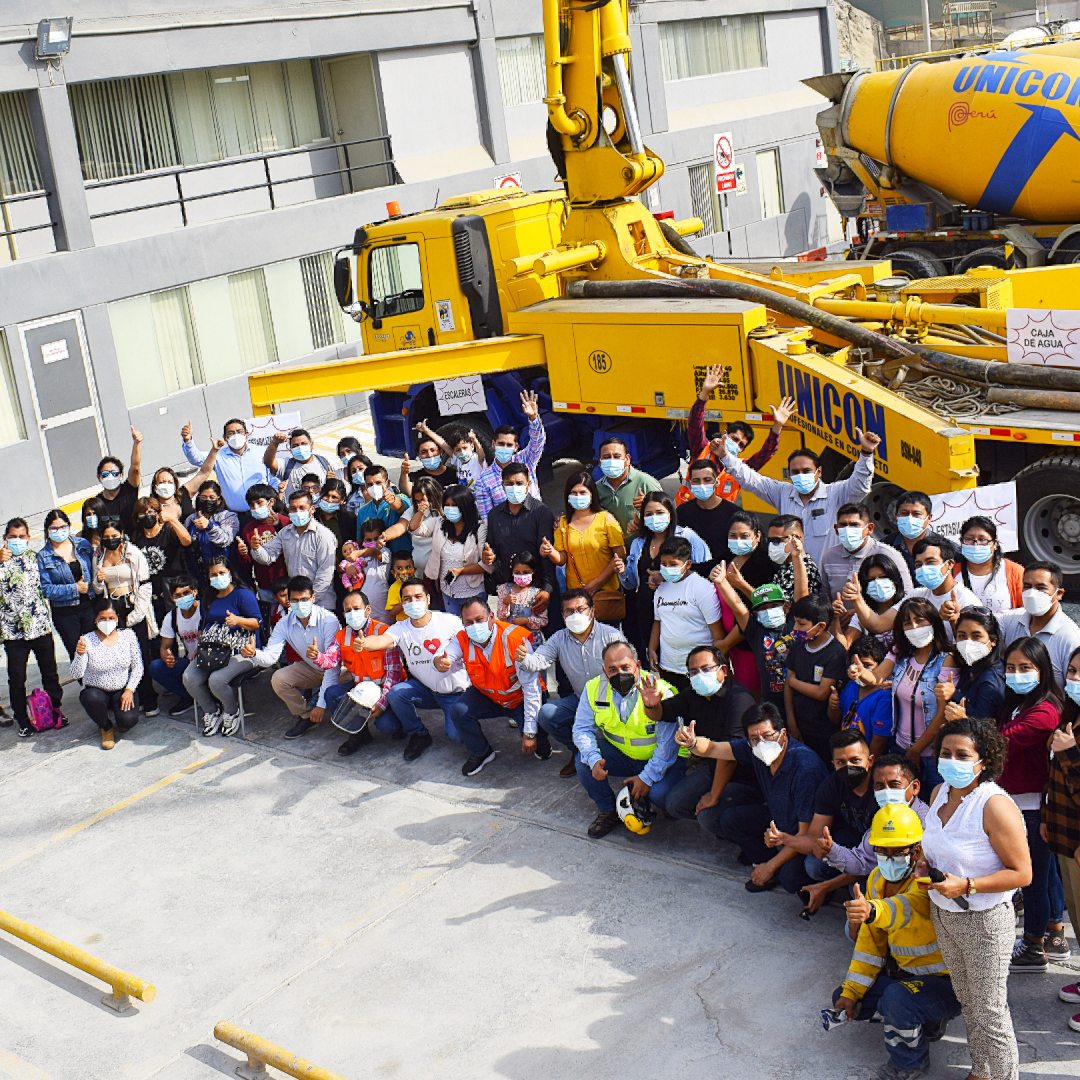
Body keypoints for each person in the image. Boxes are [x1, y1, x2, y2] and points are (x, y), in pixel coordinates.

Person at [920, 716, 1032, 1080]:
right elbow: (935, 847)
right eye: (946, 753)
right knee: (968, 1000)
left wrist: (967, 885)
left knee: (990, 1011)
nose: (952, 760)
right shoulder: (938, 794)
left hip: (984, 921)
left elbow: (1022, 873)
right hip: (945, 914)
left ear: (983, 761)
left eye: (962, 754)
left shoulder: (994, 805)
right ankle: (981, 1070)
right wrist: (924, 864)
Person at [832, 804, 961, 1080]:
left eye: (898, 851)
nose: (889, 858)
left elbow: (906, 907)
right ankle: (924, 1020)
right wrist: (851, 992)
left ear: (916, 850)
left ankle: (910, 1064)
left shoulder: (925, 882)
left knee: (897, 999)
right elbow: (870, 945)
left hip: (945, 982)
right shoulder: (876, 879)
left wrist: (872, 911)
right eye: (882, 851)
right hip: (904, 977)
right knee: (844, 998)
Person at [970, 637, 1064, 972]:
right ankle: (1051, 933)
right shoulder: (1019, 704)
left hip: (1032, 807)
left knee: (1032, 878)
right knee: (1043, 876)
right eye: (1010, 668)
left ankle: (1034, 947)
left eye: (1025, 668)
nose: (1016, 674)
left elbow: (1001, 743)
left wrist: (973, 732)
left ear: (1042, 670)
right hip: (1017, 804)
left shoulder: (1044, 712)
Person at [677, 702, 829, 893]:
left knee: (791, 879)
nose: (762, 743)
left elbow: (805, 836)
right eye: (755, 739)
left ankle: (776, 870)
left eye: (767, 736)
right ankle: (764, 861)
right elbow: (714, 749)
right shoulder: (753, 748)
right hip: (778, 822)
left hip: (801, 836)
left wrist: (771, 866)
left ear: (782, 734)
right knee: (730, 819)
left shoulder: (806, 770)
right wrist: (692, 743)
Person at [358, 578, 489, 766]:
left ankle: (469, 723)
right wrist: (365, 643)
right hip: (425, 689)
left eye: (418, 597)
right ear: (402, 603)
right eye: (407, 599)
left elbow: (475, 641)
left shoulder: (449, 621)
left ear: (428, 599)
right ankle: (418, 734)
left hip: (455, 692)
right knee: (397, 693)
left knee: (457, 737)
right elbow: (381, 641)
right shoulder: (400, 628)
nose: (413, 602)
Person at [720, 429, 882, 565]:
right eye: (795, 472)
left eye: (806, 471)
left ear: (818, 472)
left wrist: (867, 452)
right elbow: (751, 479)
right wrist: (725, 456)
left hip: (826, 576)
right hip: (793, 577)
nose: (800, 475)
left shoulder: (836, 493)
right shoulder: (782, 493)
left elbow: (860, 485)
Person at [575, 641, 682, 837]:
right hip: (622, 755)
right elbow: (581, 729)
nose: (619, 674)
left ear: (638, 665)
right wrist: (593, 758)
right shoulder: (593, 688)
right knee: (583, 762)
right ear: (604, 671)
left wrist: (646, 778)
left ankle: (656, 800)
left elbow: (668, 746)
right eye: (612, 669)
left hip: (666, 760)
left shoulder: (660, 691)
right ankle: (609, 810)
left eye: (625, 667)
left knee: (663, 797)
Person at [515, 589, 626, 777]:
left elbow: (630, 671)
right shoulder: (559, 638)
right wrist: (523, 658)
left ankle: (615, 756)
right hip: (582, 700)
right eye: (569, 611)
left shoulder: (611, 636)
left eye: (581, 609)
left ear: (592, 610)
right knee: (547, 714)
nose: (576, 615)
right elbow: (537, 662)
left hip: (615, 701)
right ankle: (580, 752)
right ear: (562, 615)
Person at [768, 729, 877, 904]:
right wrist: (783, 838)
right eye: (841, 762)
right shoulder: (831, 785)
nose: (848, 767)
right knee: (805, 870)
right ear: (833, 763)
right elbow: (814, 838)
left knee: (862, 890)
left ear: (870, 761)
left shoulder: (883, 789)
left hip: (880, 855)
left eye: (855, 760)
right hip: (849, 841)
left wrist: (826, 886)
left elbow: (876, 859)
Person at [858, 598, 958, 786]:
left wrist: (917, 750)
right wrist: (860, 672)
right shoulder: (900, 654)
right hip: (898, 747)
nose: (914, 627)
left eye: (920, 620)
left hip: (930, 756)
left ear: (933, 623)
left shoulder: (946, 660)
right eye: (907, 623)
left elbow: (943, 714)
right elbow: (876, 676)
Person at [436, 597, 541, 771]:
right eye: (468, 622)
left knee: (539, 743)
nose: (475, 626)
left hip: (519, 699)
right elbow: (445, 654)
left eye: (479, 620)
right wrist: (439, 661)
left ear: (491, 617)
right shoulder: (462, 639)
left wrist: (530, 732)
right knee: (459, 710)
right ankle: (482, 752)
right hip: (489, 698)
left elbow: (532, 688)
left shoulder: (515, 640)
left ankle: (538, 737)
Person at [662, 646, 757, 833]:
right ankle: (726, 822)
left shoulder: (739, 700)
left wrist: (714, 795)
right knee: (673, 804)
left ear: (723, 670)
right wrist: (650, 705)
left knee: (708, 818)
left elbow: (731, 756)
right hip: (713, 768)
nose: (700, 675)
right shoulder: (694, 693)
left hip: (744, 777)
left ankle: (742, 831)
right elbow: (663, 712)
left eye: (706, 669)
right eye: (694, 672)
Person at [242, 574, 347, 740]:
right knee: (278, 679)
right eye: (295, 600)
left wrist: (321, 705)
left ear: (313, 598)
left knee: (336, 688)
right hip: (311, 668)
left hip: (340, 670)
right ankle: (307, 715)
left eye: (304, 599)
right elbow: (271, 656)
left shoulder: (328, 620)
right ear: (288, 601)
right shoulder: (284, 623)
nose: (300, 604)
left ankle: (345, 719)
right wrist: (254, 653)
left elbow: (333, 667)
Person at [679, 364, 793, 501]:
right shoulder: (703, 450)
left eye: (741, 445)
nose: (736, 445)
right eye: (734, 439)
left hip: (720, 520)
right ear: (724, 434)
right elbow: (694, 424)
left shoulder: (740, 468)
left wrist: (777, 425)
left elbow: (766, 453)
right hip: (687, 513)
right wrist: (705, 393)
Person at [312, 589, 405, 756]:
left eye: (356, 608)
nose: (352, 613)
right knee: (332, 693)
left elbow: (394, 673)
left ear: (367, 610)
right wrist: (317, 656)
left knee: (387, 726)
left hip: (386, 689)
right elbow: (331, 660)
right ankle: (359, 734)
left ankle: (400, 723)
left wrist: (382, 704)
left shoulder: (383, 632)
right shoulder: (342, 636)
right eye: (348, 611)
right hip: (360, 687)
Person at [618, 491, 707, 658]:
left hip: (680, 610)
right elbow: (631, 584)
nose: (654, 518)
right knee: (659, 660)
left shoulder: (686, 536)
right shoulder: (639, 543)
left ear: (670, 515)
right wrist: (622, 572)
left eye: (660, 513)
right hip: (647, 613)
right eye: (649, 514)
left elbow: (705, 570)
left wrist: (666, 576)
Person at [817, 754, 929, 881]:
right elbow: (862, 861)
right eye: (880, 786)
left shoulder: (927, 824)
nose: (887, 791)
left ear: (914, 787)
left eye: (894, 784)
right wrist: (831, 849)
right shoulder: (883, 818)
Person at [181, 556, 261, 735]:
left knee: (217, 680)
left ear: (230, 573)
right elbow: (203, 624)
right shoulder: (208, 598)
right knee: (189, 677)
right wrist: (199, 647)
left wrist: (238, 620)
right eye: (213, 574)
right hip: (213, 650)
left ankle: (232, 711)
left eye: (222, 573)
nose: (218, 577)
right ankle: (212, 711)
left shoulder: (243, 594)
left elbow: (258, 623)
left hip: (242, 650)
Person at [1, 519, 64, 737]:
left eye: (21, 537)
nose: (17, 541)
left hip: (39, 626)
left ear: (28, 538)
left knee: (50, 672)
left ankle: (55, 710)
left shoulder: (35, 558)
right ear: (5, 539)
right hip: (13, 631)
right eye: (12, 537)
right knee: (17, 678)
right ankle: (22, 719)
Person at [92, 519, 158, 718]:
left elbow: (145, 584)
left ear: (122, 533)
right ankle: (132, 698)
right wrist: (98, 580)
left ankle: (150, 699)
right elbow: (96, 589)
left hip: (133, 607)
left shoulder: (133, 553)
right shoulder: (99, 556)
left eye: (114, 536)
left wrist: (135, 615)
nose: (111, 540)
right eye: (106, 537)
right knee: (122, 658)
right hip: (112, 610)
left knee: (141, 656)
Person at [1046, 647, 1080, 1026]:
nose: (1073, 679)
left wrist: (1070, 754)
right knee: (1076, 914)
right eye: (1071, 671)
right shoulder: (1072, 718)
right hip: (1067, 835)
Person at [545, 471, 625, 623]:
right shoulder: (563, 523)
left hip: (605, 593)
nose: (578, 496)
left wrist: (596, 583)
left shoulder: (606, 519)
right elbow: (562, 559)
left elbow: (620, 554)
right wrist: (550, 551)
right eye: (573, 493)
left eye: (583, 492)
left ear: (592, 494)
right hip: (577, 597)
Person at [649, 537, 724, 694]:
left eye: (673, 565)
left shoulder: (702, 588)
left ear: (688, 564)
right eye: (664, 564)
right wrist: (652, 648)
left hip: (698, 670)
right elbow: (658, 622)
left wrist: (717, 666)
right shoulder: (661, 589)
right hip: (668, 666)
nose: (667, 568)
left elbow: (717, 632)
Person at [480, 462, 557, 612]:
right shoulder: (495, 515)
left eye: (519, 483)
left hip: (538, 588)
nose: (514, 487)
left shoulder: (541, 513)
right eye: (510, 484)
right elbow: (492, 547)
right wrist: (489, 556)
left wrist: (547, 589)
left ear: (528, 485)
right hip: (510, 590)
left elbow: (547, 555)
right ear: (503, 486)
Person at [784, 593, 848, 762]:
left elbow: (821, 693)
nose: (795, 628)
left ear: (820, 626)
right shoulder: (798, 646)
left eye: (802, 623)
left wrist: (793, 681)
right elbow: (787, 687)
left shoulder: (836, 652)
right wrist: (791, 722)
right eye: (795, 621)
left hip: (823, 732)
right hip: (799, 727)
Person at [712, 580, 795, 710]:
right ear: (756, 614)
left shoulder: (794, 626)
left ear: (786, 606)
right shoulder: (756, 633)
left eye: (774, 605)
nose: (769, 611)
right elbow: (738, 608)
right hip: (772, 703)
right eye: (763, 609)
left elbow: (802, 594)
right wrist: (722, 582)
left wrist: (797, 559)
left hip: (799, 700)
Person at [71, 599, 143, 749]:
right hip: (97, 690)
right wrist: (79, 655)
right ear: (95, 620)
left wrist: (129, 690)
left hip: (121, 689)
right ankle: (106, 727)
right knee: (91, 698)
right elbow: (76, 673)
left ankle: (119, 719)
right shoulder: (87, 640)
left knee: (128, 720)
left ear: (117, 618)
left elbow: (138, 667)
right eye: (102, 618)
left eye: (111, 618)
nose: (107, 622)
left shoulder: (128, 635)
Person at [249, 489, 337, 610]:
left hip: (320, 604)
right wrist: (256, 548)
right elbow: (268, 557)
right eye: (293, 509)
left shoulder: (323, 535)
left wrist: (309, 600)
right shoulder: (285, 532)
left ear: (312, 510)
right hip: (297, 604)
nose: (297, 512)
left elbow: (325, 574)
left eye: (302, 508)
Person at [998, 560, 1080, 687]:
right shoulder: (1009, 620)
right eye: (1027, 586)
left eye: (1041, 588)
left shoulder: (1071, 640)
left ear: (1059, 594)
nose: (1032, 594)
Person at [820, 502, 912, 606]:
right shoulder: (829, 557)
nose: (848, 530)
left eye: (854, 525)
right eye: (843, 525)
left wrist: (858, 612)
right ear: (836, 529)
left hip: (878, 620)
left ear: (869, 528)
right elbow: (825, 596)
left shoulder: (888, 554)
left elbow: (907, 595)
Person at [472, 390, 545, 519]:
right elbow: (487, 519)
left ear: (516, 447)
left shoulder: (525, 460)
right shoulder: (484, 481)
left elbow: (537, 442)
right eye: (501, 444)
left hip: (536, 523)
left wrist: (533, 418)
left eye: (509, 445)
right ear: (493, 444)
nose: (504, 448)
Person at [182, 417, 276, 514]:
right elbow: (196, 458)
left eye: (239, 431)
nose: (235, 435)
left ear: (246, 434)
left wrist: (276, 501)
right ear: (225, 437)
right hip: (235, 515)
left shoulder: (261, 452)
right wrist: (188, 441)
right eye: (230, 433)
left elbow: (273, 477)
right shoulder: (218, 456)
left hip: (264, 511)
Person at [37, 508, 96, 660]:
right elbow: (46, 589)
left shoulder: (82, 544)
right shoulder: (43, 556)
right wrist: (75, 588)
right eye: (54, 528)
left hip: (90, 608)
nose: (59, 531)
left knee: (97, 653)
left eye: (63, 527)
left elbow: (95, 566)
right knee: (78, 655)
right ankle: (85, 684)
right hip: (65, 615)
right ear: (47, 530)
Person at [425, 484, 487, 617]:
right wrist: (420, 513)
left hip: (472, 592)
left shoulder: (479, 529)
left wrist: (461, 571)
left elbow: (487, 565)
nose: (450, 509)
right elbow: (415, 529)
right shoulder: (440, 524)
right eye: (447, 505)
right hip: (447, 592)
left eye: (454, 505)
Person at [828, 634, 893, 756]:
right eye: (855, 665)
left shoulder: (884, 696)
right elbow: (836, 719)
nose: (860, 671)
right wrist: (833, 705)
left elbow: (879, 741)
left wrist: (868, 765)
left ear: (881, 667)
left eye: (867, 665)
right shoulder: (851, 685)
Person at [130, 495, 193, 621]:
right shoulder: (136, 537)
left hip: (173, 584)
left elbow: (187, 541)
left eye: (151, 512)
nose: (147, 516)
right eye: (142, 513)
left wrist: (172, 520)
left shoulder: (168, 530)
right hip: (153, 588)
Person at [236, 483, 290, 621]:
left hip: (287, 584)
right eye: (252, 504)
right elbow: (249, 562)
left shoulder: (285, 522)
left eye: (259, 503)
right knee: (272, 622)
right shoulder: (249, 529)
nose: (255, 508)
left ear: (271, 502)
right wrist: (243, 553)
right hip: (265, 586)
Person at [382, 475, 442, 597]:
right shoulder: (413, 511)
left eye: (424, 500)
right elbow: (401, 526)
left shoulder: (444, 510)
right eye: (418, 501)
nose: (421, 504)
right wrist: (384, 536)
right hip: (422, 575)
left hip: (442, 573)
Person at [150, 575, 201, 717]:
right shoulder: (171, 617)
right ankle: (189, 697)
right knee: (156, 667)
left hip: (209, 660)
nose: (182, 598)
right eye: (177, 595)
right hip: (190, 663)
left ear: (194, 592)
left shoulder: (205, 609)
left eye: (186, 593)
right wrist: (167, 657)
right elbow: (164, 647)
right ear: (172, 598)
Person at [835, 554, 907, 650]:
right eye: (871, 580)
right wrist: (834, 618)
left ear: (894, 580)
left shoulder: (906, 606)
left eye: (883, 577)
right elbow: (845, 647)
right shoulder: (861, 616)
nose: (878, 583)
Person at [909, 537, 979, 636]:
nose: (924, 568)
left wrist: (954, 621)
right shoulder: (916, 596)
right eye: (919, 565)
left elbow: (971, 645)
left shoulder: (966, 601)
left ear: (950, 564)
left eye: (931, 562)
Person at [673, 457, 739, 562]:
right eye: (696, 481)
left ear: (717, 482)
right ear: (690, 485)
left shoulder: (734, 514)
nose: (702, 484)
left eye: (707, 480)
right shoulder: (682, 511)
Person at [945, 608, 1006, 721]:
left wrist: (954, 694)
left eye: (976, 636)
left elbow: (984, 725)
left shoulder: (991, 679)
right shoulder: (973, 665)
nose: (968, 642)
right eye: (962, 636)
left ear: (993, 641)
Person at [594, 435, 662, 535]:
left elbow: (666, 520)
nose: (612, 461)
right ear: (599, 461)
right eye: (607, 457)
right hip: (609, 548)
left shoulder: (646, 483)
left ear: (628, 459)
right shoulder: (596, 488)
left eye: (617, 457)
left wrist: (649, 506)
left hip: (639, 548)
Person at [955, 515, 1024, 614]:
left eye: (982, 540)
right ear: (961, 542)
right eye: (969, 539)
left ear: (995, 544)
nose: (976, 544)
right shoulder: (952, 572)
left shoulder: (1015, 572)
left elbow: (1025, 611)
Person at [263, 426, 338, 500]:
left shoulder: (326, 463)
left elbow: (341, 487)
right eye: (295, 446)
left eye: (304, 444)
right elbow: (268, 462)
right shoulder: (286, 465)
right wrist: (275, 443)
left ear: (311, 445)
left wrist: (332, 482)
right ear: (290, 449)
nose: (300, 448)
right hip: (295, 511)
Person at [95, 426, 144, 533]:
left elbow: (135, 467)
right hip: (112, 544)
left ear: (121, 476)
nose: (110, 477)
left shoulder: (129, 490)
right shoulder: (97, 503)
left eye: (114, 473)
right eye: (105, 474)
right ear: (99, 478)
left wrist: (136, 444)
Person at [355, 464, 412, 555]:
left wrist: (392, 501)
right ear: (365, 486)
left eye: (378, 483)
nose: (374, 487)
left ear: (388, 483)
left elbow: (400, 506)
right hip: (377, 564)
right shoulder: (362, 512)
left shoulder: (402, 498)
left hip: (403, 561)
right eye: (370, 484)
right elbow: (360, 541)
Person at [184, 481, 240, 572]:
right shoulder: (191, 520)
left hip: (225, 569)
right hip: (201, 570)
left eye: (211, 497)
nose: (207, 500)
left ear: (218, 500)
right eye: (203, 497)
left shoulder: (228, 516)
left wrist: (209, 526)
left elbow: (226, 540)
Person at [764, 515, 822, 602]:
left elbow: (799, 603)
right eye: (770, 540)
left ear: (796, 538)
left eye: (776, 540)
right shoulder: (784, 565)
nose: (772, 545)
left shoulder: (805, 568)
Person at [495, 551, 548, 639]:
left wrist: (526, 620)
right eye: (517, 573)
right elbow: (501, 617)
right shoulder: (504, 590)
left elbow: (543, 621)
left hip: (531, 640)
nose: (522, 576)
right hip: (510, 638)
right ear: (512, 572)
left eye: (526, 572)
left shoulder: (537, 593)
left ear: (533, 572)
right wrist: (505, 602)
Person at [883, 490, 936, 577]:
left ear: (929, 518)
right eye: (904, 513)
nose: (910, 518)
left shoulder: (943, 548)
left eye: (917, 514)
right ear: (896, 515)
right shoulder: (886, 546)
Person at [398, 423, 460, 494]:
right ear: (419, 455)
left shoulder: (455, 474)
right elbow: (407, 492)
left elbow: (444, 444)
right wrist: (404, 473)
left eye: (433, 450)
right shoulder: (415, 478)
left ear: (441, 452)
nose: (430, 455)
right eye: (424, 452)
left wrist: (426, 430)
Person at [384, 550, 415, 622]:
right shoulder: (394, 588)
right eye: (399, 569)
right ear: (393, 572)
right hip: (404, 624)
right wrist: (403, 602)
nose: (404, 572)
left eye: (408, 567)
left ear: (414, 569)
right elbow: (391, 612)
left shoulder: (419, 584)